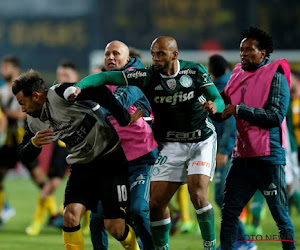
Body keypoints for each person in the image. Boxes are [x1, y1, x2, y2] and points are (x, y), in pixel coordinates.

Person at [66, 36, 225, 250]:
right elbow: (103, 77)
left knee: (196, 193)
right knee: (154, 204)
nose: (156, 59)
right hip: (167, 144)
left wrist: (215, 107)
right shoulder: (145, 76)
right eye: (153, 54)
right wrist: (78, 86)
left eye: (160, 54)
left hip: (198, 140)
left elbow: (218, 98)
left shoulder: (193, 71)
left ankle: (210, 246)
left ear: (174, 55)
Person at [13, 69, 144, 249]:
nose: (22, 109)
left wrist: (123, 117)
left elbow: (100, 91)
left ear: (35, 95)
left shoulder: (61, 94)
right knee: (70, 216)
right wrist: (34, 144)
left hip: (110, 160)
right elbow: (23, 155)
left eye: (23, 103)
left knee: (115, 228)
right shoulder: (32, 121)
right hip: (82, 166)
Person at [220, 27, 295, 249]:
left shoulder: (276, 76)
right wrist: (211, 108)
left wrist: (238, 109)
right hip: (242, 157)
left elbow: (274, 116)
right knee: (229, 213)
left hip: (268, 158)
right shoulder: (236, 75)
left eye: (249, 50)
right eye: (241, 50)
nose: (243, 54)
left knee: (281, 216)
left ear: (263, 52)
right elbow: (225, 108)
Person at [90, 40, 158, 250]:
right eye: (107, 54)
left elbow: (116, 104)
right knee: (97, 217)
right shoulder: (100, 81)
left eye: (116, 54)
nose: (111, 57)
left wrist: (88, 105)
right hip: (114, 163)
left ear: (127, 59)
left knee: (138, 211)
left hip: (141, 159)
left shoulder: (138, 79)